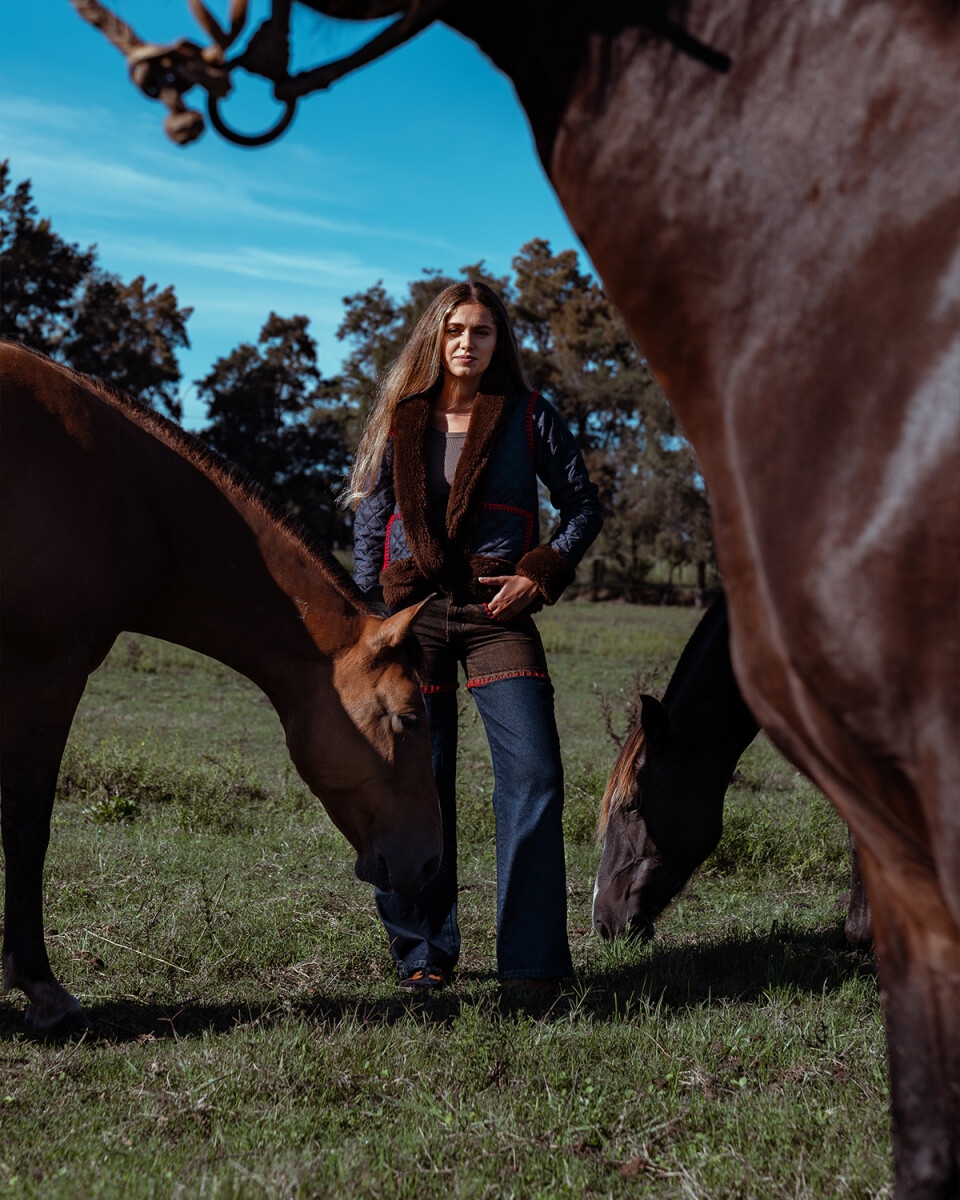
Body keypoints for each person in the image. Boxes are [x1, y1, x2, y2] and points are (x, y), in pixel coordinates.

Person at [346, 280, 603, 993]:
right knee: (415, 776)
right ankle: (423, 955)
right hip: (414, 614)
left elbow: (582, 504)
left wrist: (541, 572)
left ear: (499, 342)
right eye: (455, 330)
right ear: (437, 337)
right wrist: (373, 611)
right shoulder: (402, 418)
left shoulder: (529, 416)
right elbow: (372, 518)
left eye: (482, 331)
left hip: (498, 612)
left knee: (536, 772)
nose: (467, 343)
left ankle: (530, 967)